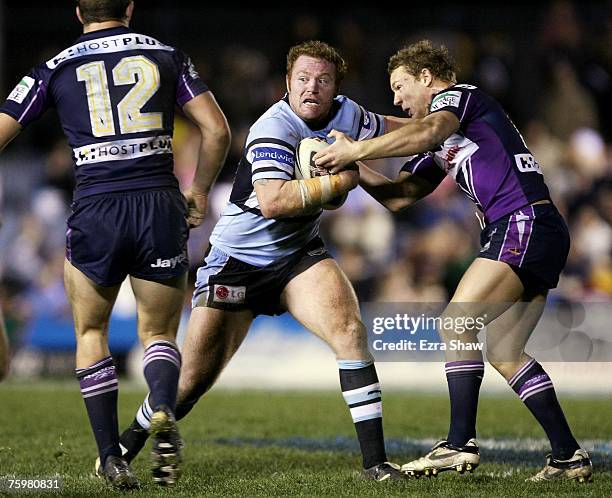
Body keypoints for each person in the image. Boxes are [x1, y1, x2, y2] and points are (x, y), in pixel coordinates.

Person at [117, 40, 411, 482]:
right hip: (237, 262)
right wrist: (342, 181)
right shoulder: (273, 127)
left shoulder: (348, 114)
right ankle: (122, 448)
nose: (312, 88)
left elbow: (394, 128)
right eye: (303, 79)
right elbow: (274, 202)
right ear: (287, 83)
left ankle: (376, 465)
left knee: (350, 331)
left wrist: (444, 119)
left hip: (297, 255)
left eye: (323, 80)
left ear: (336, 88)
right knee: (189, 383)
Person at [314, 40, 593, 483]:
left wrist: (354, 150)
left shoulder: (458, 98)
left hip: (521, 221)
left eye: (400, 86)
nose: (397, 99)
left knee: (456, 322)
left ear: (426, 77)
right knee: (504, 351)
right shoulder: (447, 138)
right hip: (538, 228)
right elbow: (401, 196)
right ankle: (567, 456)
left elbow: (425, 132)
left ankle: (459, 443)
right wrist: (351, 171)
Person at [0, 0, 230, 490]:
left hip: (96, 208)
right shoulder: (167, 55)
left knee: (90, 334)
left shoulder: (55, 66)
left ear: (77, 12)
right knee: (159, 334)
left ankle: (110, 455)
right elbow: (217, 130)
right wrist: (199, 192)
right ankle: (162, 407)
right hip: (158, 203)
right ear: (129, 7)